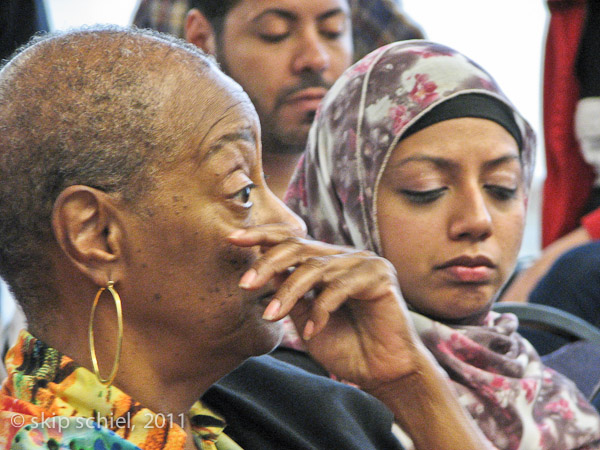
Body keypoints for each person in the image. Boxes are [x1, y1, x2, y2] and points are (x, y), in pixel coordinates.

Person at [0, 26, 496, 450]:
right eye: (240, 190)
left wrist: (411, 382)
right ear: (98, 235)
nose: (291, 225)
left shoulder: (306, 414)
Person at [283, 40, 600, 449]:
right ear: (345, 200)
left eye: (501, 188)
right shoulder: (275, 389)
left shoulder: (549, 397)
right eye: (426, 189)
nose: (477, 221)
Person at [183, 0, 423, 199]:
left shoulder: (387, 194)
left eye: (333, 30)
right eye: (275, 33)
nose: (316, 59)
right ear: (202, 38)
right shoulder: (167, 205)